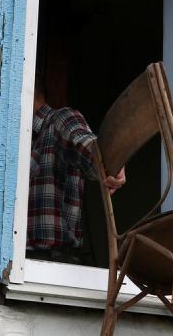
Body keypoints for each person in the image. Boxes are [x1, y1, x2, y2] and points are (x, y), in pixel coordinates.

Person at [27, 56, 126, 264]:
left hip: (54, 265)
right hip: (23, 264)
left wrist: (110, 163)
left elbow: (87, 145)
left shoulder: (59, 120)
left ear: (25, 90)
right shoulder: (23, 141)